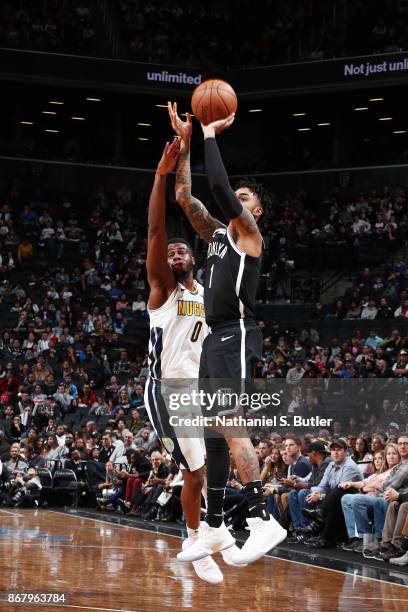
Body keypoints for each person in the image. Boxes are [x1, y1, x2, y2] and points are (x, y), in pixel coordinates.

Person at [169, 102, 286, 567]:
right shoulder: (218, 236)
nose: (236, 198)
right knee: (215, 431)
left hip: (235, 332)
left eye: (243, 197)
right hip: (214, 339)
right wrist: (183, 147)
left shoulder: (249, 234)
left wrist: (210, 134)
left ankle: (262, 517)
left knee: (231, 423)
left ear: (255, 210)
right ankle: (215, 526)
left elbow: (217, 188)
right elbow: (186, 198)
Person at [144, 137, 235, 584]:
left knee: (205, 466)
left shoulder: (203, 293)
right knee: (192, 469)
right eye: (171, 252)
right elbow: (156, 231)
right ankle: (193, 540)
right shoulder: (163, 288)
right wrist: (163, 173)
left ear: (193, 259)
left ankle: (199, 535)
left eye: (183, 251)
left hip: (196, 388)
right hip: (166, 387)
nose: (175, 254)